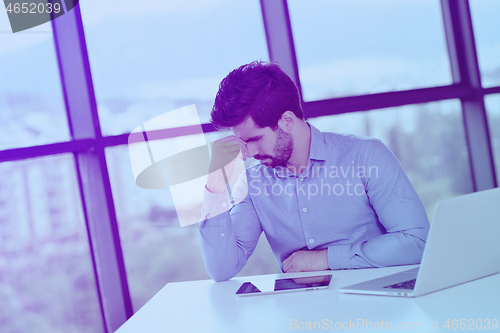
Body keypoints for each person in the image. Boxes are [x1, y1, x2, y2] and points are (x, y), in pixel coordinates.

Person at [199, 61, 430, 282]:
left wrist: (326, 259)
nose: (247, 153)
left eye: (255, 139)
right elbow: (222, 269)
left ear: (287, 120)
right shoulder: (252, 183)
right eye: (242, 143)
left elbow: (418, 242)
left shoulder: (366, 156)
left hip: (376, 306)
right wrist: (215, 185)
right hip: (300, 316)